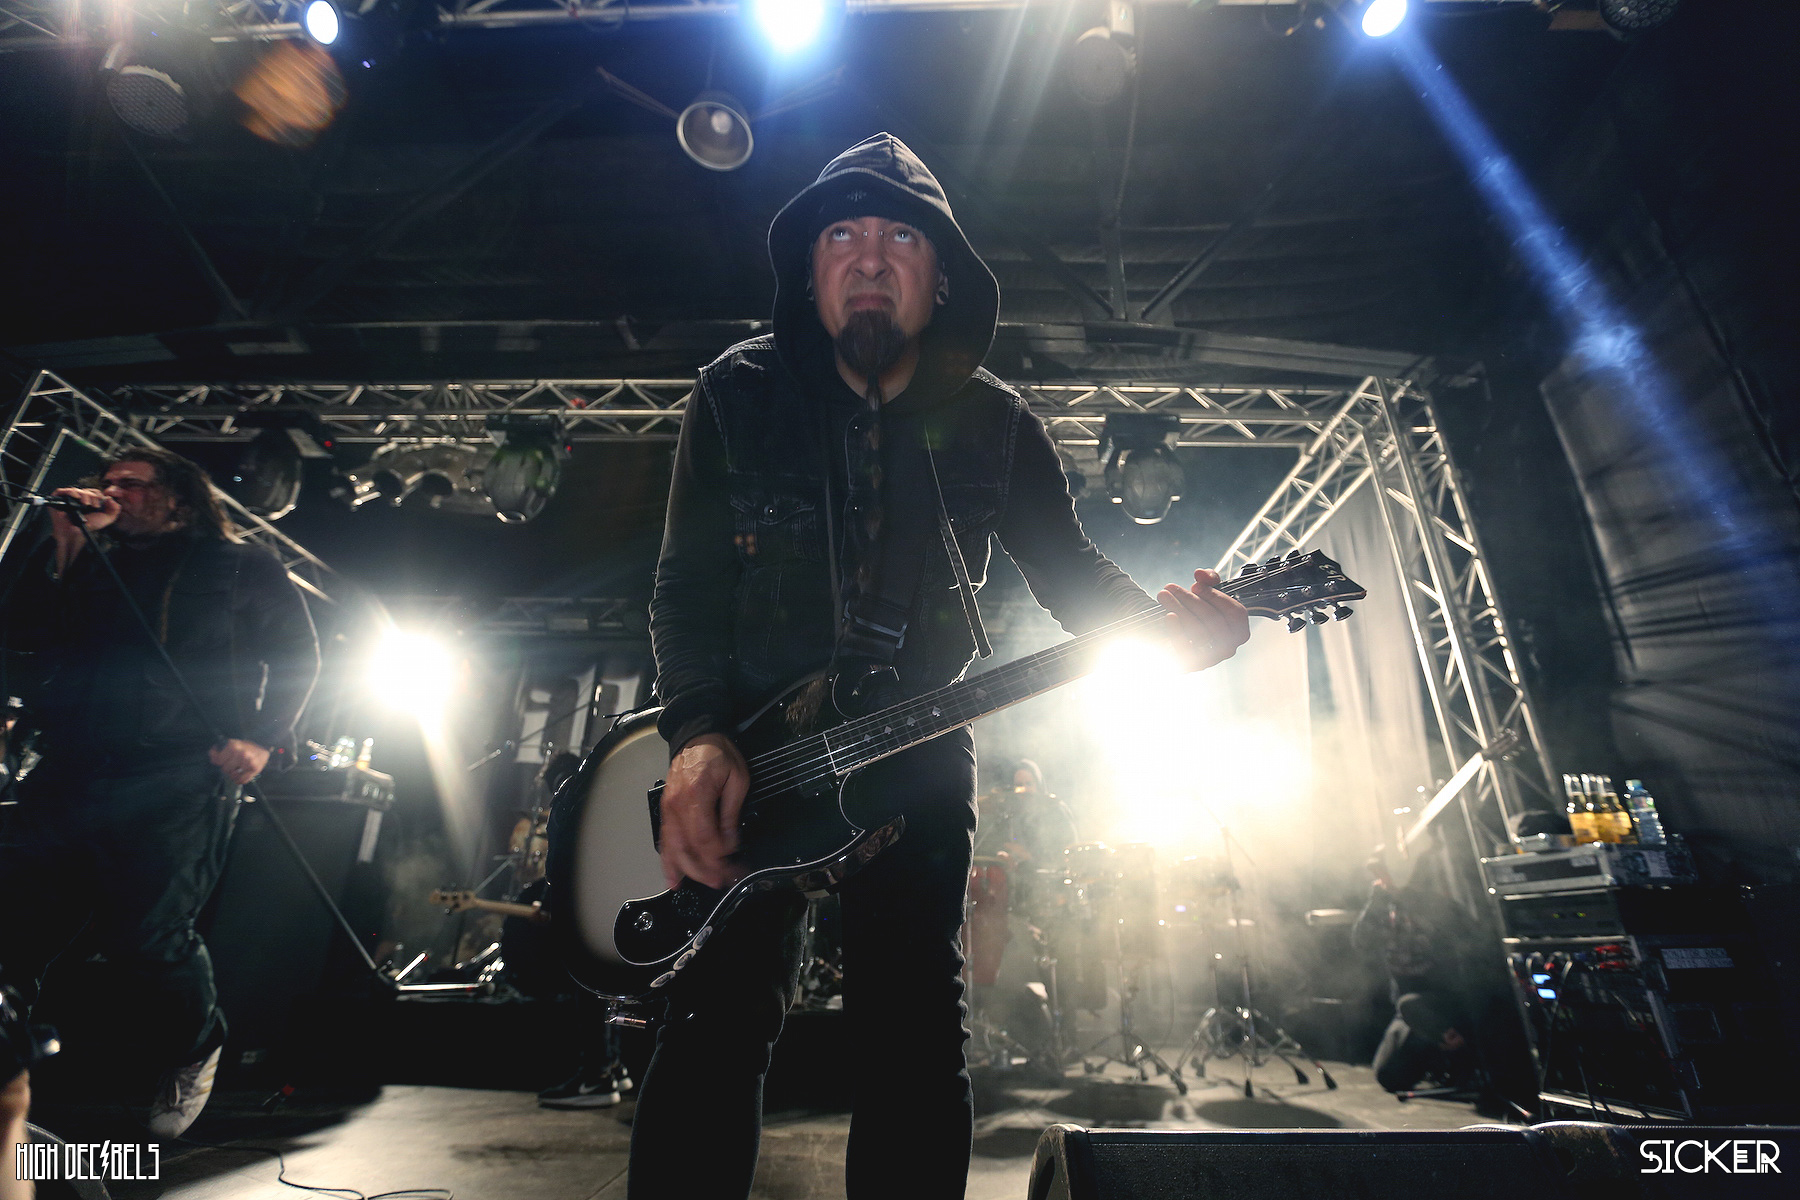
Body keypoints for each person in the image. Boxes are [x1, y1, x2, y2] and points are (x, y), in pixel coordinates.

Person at [639, 133, 1250, 1200]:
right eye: (842, 234)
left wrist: (1172, 632)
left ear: (942, 277)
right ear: (810, 271)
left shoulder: (996, 424)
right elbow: (684, 588)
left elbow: (1075, 576)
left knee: (914, 1042)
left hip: (915, 753)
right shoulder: (736, 394)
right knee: (712, 1028)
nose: (870, 258)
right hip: (749, 757)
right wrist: (696, 733)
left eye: (901, 237)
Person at [0, 447, 320, 1137]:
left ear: (178, 497)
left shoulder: (240, 565)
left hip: (177, 770)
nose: (113, 492)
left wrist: (264, 739)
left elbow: (300, 653)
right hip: (71, 764)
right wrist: (63, 547)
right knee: (15, 921)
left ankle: (194, 1046)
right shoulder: (86, 555)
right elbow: (22, 634)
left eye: (133, 485)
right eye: (107, 482)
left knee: (146, 936)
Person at [1352, 846, 1477, 1094]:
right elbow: (1361, 942)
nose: (1380, 880)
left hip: (1444, 999)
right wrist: (1374, 903)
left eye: (1383, 872)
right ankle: (1439, 1051)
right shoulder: (1383, 906)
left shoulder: (1433, 902)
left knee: (1411, 1005)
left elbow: (1473, 948)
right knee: (1389, 1076)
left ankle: (1461, 1049)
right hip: (1411, 1009)